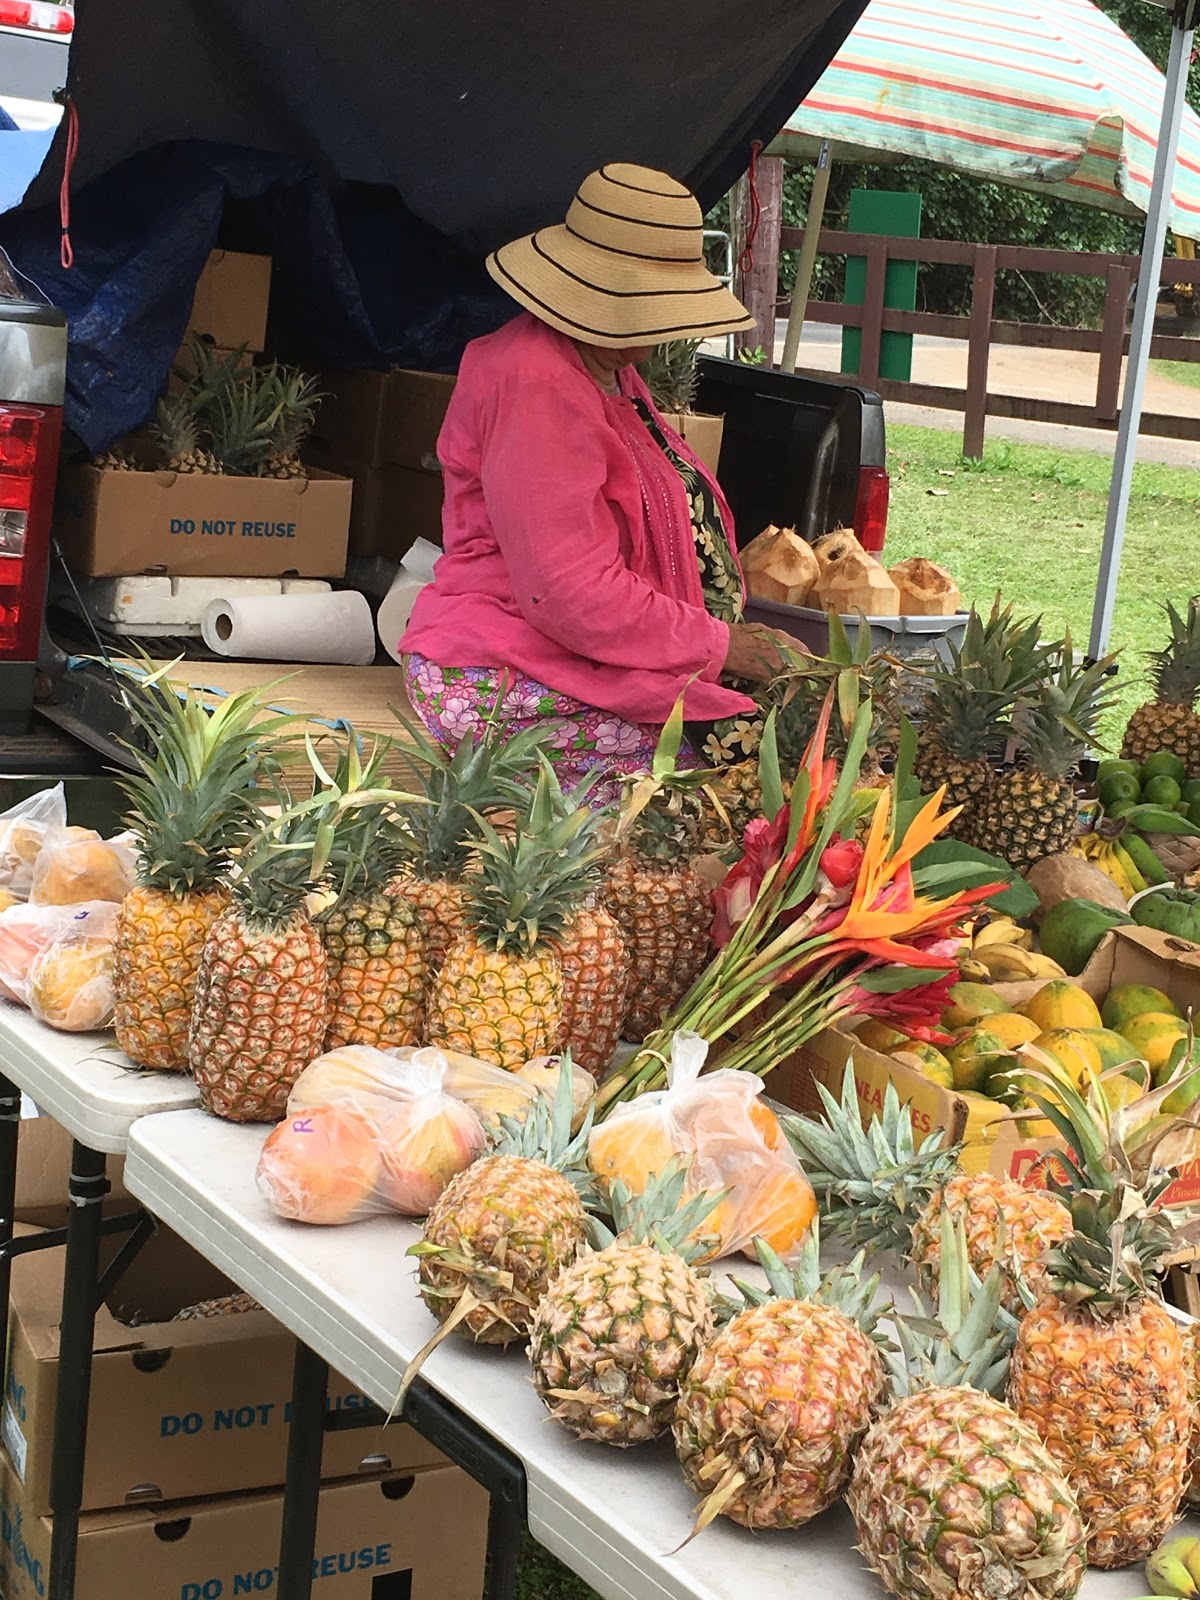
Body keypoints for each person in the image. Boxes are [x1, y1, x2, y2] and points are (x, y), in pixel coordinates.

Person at [400, 162, 794, 802]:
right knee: (709, 797)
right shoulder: (538, 381)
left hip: (569, 655)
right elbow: (568, 591)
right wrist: (720, 645)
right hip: (508, 668)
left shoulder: (601, 362)